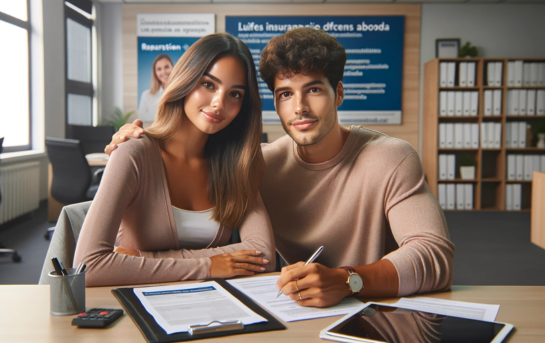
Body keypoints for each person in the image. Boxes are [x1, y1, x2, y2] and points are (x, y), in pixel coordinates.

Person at [106, 28, 454, 306]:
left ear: (339, 93)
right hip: (282, 312)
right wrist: (139, 141)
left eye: (314, 89)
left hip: (364, 315)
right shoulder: (258, 163)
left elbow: (434, 256)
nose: (299, 107)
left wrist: (348, 280)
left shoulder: (391, 157)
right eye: (286, 94)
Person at [73, 33, 276, 287]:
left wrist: (145, 258)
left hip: (210, 307)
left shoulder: (238, 164)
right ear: (186, 80)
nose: (219, 103)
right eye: (209, 84)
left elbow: (263, 257)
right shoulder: (133, 153)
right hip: (136, 308)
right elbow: (88, 266)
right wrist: (209, 265)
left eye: (235, 94)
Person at [137, 54, 173, 124]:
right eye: (159, 69)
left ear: (173, 67)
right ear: (155, 73)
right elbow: (142, 121)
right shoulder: (146, 95)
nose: (164, 72)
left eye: (167, 67)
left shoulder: (183, 92)